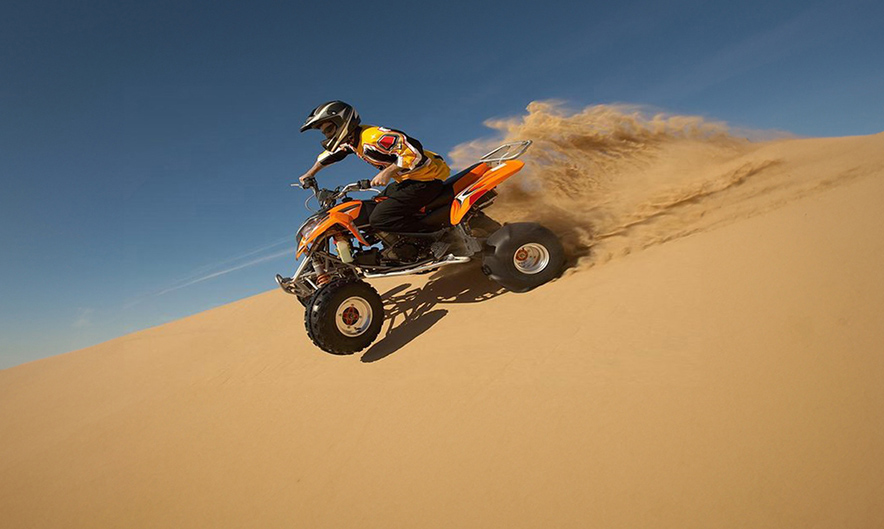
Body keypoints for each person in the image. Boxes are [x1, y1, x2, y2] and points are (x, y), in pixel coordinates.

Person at [298, 101, 450, 234]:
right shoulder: (352, 141)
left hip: (427, 178)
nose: (327, 135)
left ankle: (439, 238)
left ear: (342, 121)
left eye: (329, 129)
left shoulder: (373, 138)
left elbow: (414, 151)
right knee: (372, 206)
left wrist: (387, 172)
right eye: (325, 133)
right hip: (409, 180)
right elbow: (331, 155)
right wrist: (310, 174)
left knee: (381, 219)